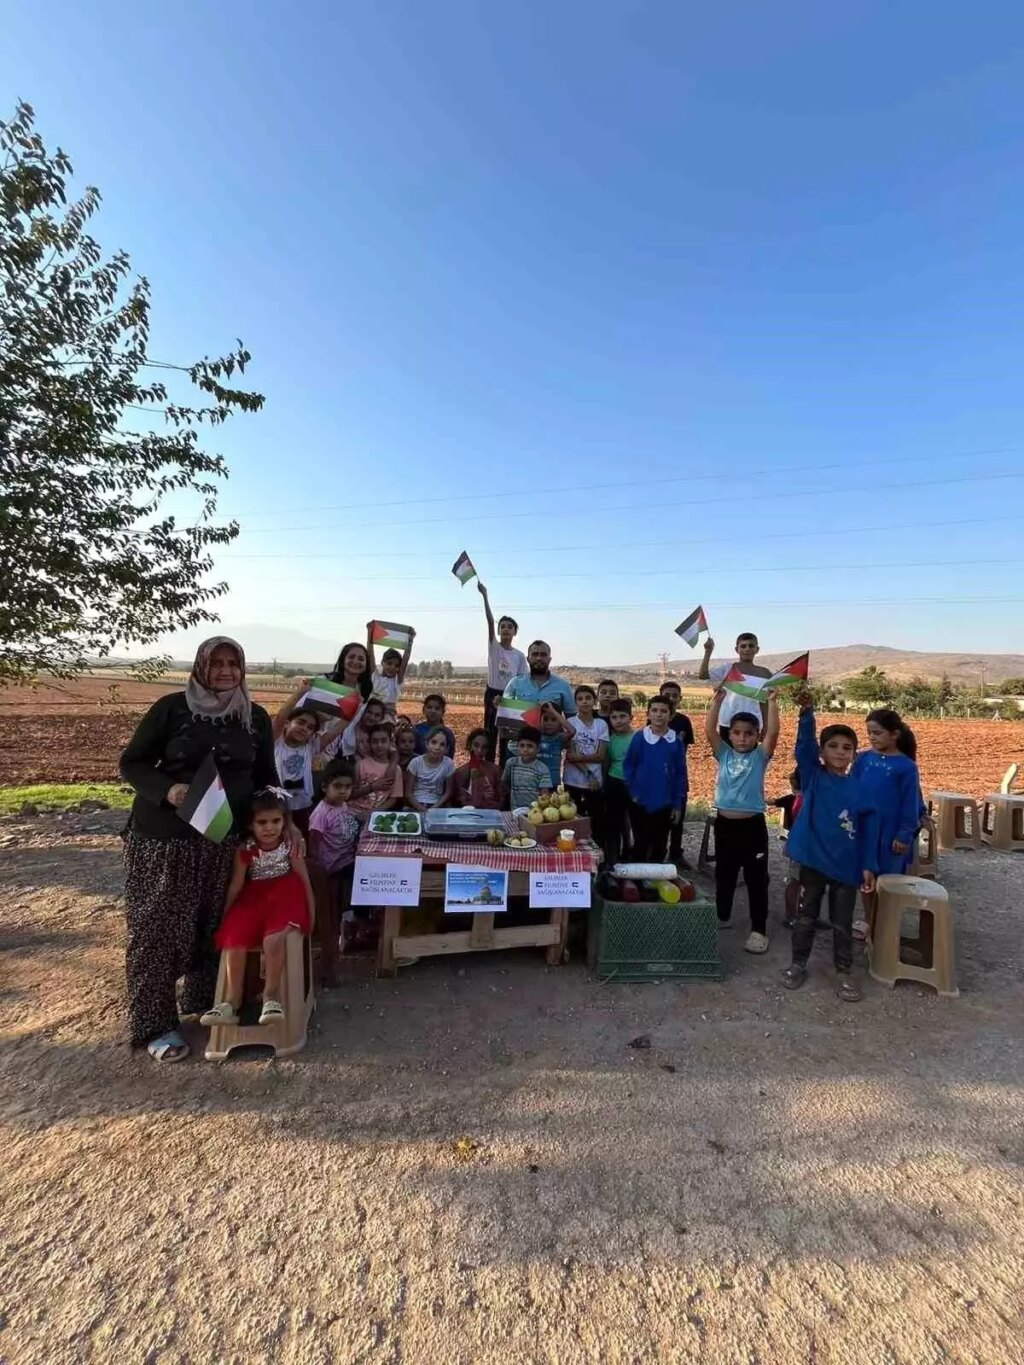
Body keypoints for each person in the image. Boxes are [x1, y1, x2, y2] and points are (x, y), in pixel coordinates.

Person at [119, 636, 282, 1063]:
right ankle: (155, 1024)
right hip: (166, 841)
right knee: (157, 929)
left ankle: (205, 1000)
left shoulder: (254, 717)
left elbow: (266, 778)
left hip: (223, 839)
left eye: (233, 663)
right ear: (200, 667)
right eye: (217, 663)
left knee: (214, 922)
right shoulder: (171, 709)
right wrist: (168, 789)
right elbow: (132, 763)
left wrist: (280, 822)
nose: (226, 671)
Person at [782, 695, 878, 1002]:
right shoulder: (814, 777)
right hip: (814, 861)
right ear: (822, 752)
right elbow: (803, 747)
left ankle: (844, 972)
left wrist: (869, 865)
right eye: (833, 746)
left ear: (854, 754)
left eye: (846, 747)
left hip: (846, 866)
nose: (839, 751)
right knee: (806, 916)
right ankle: (797, 964)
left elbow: (869, 832)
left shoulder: (861, 789)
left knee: (842, 921)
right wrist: (806, 713)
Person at [200, 788, 314, 1027]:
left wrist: (311, 913)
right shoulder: (246, 849)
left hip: (287, 895)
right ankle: (231, 1002)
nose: (269, 827)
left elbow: (304, 880)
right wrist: (226, 915)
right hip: (254, 897)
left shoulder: (289, 845)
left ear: (284, 822)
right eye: (262, 822)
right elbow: (236, 886)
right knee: (234, 939)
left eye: (276, 821)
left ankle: (271, 997)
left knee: (273, 940)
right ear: (251, 825)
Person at [705, 688, 781, 953]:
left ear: (757, 736)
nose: (742, 738)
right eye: (737, 732)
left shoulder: (760, 756)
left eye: (749, 733)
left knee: (756, 879)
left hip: (752, 828)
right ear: (730, 734)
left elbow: (773, 733)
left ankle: (758, 930)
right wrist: (718, 701)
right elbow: (710, 730)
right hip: (724, 826)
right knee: (724, 874)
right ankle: (722, 915)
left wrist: (771, 702)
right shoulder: (724, 754)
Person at [850, 707, 923, 937]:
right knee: (865, 879)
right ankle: (869, 921)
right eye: (869, 733)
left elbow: (910, 803)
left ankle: (884, 930)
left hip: (890, 834)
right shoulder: (863, 759)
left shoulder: (906, 767)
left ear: (895, 734)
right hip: (864, 831)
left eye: (877, 733)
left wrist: (904, 834)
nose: (872, 737)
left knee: (887, 883)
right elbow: (850, 790)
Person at [271, 677, 345, 830]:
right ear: (287, 723)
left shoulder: (311, 747)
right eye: (300, 722)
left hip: (302, 806)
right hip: (277, 806)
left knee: (302, 837)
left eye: (310, 727)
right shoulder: (277, 743)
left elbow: (335, 732)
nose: (304, 728)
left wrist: (352, 713)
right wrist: (300, 692)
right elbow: (280, 717)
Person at [622, 695, 687, 862]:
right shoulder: (639, 738)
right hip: (640, 801)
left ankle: (656, 875)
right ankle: (638, 875)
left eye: (664, 711)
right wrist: (634, 793)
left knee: (659, 843)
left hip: (664, 802)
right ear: (648, 714)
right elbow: (629, 766)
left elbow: (680, 774)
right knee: (640, 843)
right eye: (655, 710)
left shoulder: (675, 742)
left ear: (671, 715)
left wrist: (677, 804)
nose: (659, 714)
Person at [497, 641, 577, 763]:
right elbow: (505, 719)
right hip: (517, 752)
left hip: (548, 753)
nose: (539, 658)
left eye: (543, 654)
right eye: (535, 654)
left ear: (549, 659)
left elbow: (572, 720)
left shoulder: (563, 686)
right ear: (528, 659)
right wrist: (500, 706)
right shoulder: (515, 683)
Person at [479, 583, 527, 759]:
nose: (505, 629)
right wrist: (485, 596)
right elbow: (490, 621)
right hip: (492, 694)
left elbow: (522, 680)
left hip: (510, 699)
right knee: (490, 733)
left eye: (509, 627)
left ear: (515, 632)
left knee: (508, 736)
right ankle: (488, 766)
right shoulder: (494, 647)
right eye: (503, 626)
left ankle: (505, 768)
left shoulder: (519, 656)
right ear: (499, 631)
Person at [699, 633, 772, 744]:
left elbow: (764, 702)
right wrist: (708, 651)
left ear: (757, 649)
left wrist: (766, 726)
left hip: (752, 724)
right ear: (736, 649)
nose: (747, 649)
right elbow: (703, 675)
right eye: (743, 646)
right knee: (725, 754)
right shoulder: (728, 668)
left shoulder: (764, 673)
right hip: (728, 723)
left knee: (749, 755)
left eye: (751, 646)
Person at [659, 680, 695, 868]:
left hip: (678, 776)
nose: (671, 699)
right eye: (667, 695)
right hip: (659, 777)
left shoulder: (684, 721)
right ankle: (659, 853)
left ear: (680, 699)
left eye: (674, 696)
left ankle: (676, 854)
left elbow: (684, 749)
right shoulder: (656, 719)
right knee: (660, 817)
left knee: (678, 819)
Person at [563, 685, 608, 834]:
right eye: (580, 699)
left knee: (596, 823)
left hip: (595, 784)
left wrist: (579, 757)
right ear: (575, 702)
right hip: (573, 781)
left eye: (588, 698)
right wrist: (588, 773)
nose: (584, 701)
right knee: (572, 822)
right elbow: (571, 756)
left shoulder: (601, 725)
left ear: (594, 701)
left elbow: (600, 756)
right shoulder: (571, 723)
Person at [602, 698, 634, 866]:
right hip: (614, 783)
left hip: (634, 786)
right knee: (613, 824)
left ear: (631, 717)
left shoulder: (638, 738)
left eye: (622, 716)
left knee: (633, 823)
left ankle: (631, 855)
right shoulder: (610, 740)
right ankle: (613, 861)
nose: (618, 721)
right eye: (614, 717)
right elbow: (606, 764)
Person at [350, 725, 404, 821]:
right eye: (375, 741)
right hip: (353, 811)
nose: (379, 745)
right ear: (370, 743)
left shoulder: (396, 770)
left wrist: (373, 813)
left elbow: (393, 799)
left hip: (376, 815)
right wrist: (372, 787)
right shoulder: (360, 765)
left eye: (384, 741)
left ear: (390, 742)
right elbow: (351, 793)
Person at [771, 768, 803, 924]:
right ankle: (792, 916)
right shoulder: (803, 800)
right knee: (797, 881)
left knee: (798, 880)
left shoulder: (791, 799)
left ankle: (795, 915)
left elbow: (772, 802)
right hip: (801, 845)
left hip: (795, 843)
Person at [366, 620, 414, 714]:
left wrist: (410, 641)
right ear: (382, 663)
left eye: (396, 665)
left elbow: (406, 658)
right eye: (389, 663)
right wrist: (370, 633)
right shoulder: (375, 676)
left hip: (388, 715)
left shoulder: (396, 680)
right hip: (372, 714)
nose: (392, 667)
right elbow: (370, 653)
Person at [501, 725, 553, 810]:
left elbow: (544, 795)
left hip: (535, 812)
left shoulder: (542, 769)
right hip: (515, 810)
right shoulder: (511, 763)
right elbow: (504, 783)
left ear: (538, 748)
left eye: (530, 746)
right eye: (522, 745)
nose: (525, 749)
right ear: (517, 746)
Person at [405, 728, 456, 811]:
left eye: (442, 745)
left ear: (447, 749)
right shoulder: (415, 763)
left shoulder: (448, 764)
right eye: (434, 742)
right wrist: (420, 808)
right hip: (415, 804)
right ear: (426, 744)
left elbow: (448, 792)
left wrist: (434, 808)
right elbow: (408, 793)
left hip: (436, 804)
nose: (437, 747)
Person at [453, 728, 502, 809]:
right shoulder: (460, 772)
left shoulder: (495, 770)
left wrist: (492, 797)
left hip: (490, 812)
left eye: (484, 747)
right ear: (470, 745)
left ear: (488, 749)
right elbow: (460, 800)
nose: (480, 750)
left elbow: (501, 798)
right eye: (476, 745)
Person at [538, 702, 574, 789]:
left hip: (552, 781)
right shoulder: (536, 737)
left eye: (554, 719)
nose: (549, 723)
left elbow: (572, 731)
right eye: (545, 719)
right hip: (535, 780)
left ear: (560, 722)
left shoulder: (559, 738)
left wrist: (553, 711)